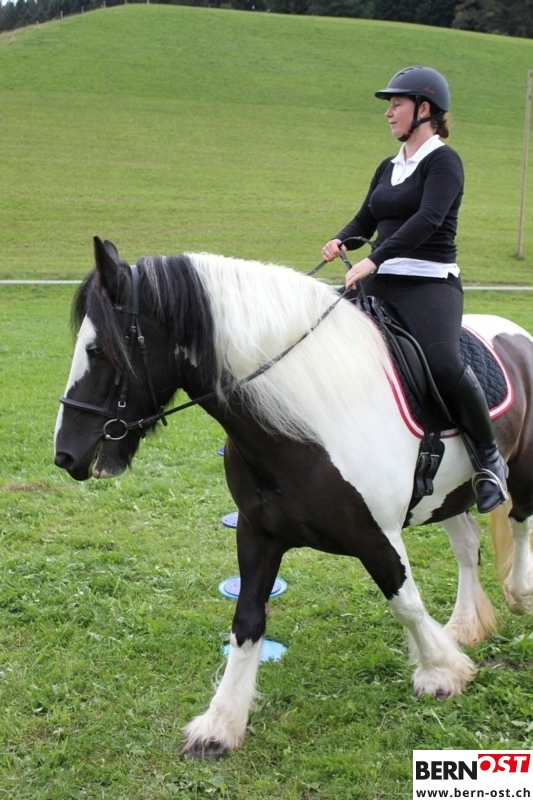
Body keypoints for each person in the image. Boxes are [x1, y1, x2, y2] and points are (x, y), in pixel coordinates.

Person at [321, 65, 507, 514]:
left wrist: (374, 258)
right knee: (321, 341)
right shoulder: (389, 166)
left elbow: (428, 220)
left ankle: (489, 461)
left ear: (424, 110)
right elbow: (367, 218)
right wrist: (342, 239)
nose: (388, 113)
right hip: (380, 281)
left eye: (396, 104)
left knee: (443, 363)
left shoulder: (444, 162)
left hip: (429, 283)